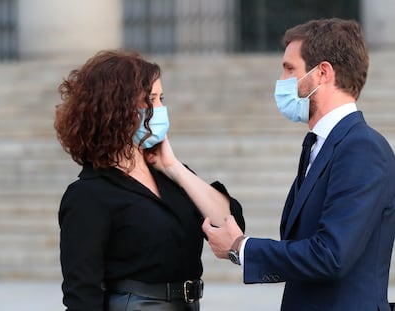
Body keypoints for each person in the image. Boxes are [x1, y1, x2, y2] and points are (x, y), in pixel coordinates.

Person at [202, 17, 395, 311]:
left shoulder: (362, 148)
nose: (281, 81)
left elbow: (331, 255)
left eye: (289, 69)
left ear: (323, 73)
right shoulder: (320, 145)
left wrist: (241, 247)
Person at [54, 50, 245, 311]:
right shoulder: (90, 194)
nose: (161, 109)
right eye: (150, 100)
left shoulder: (170, 175)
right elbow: (82, 295)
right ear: (115, 109)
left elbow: (231, 224)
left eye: (161, 98)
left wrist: (174, 167)